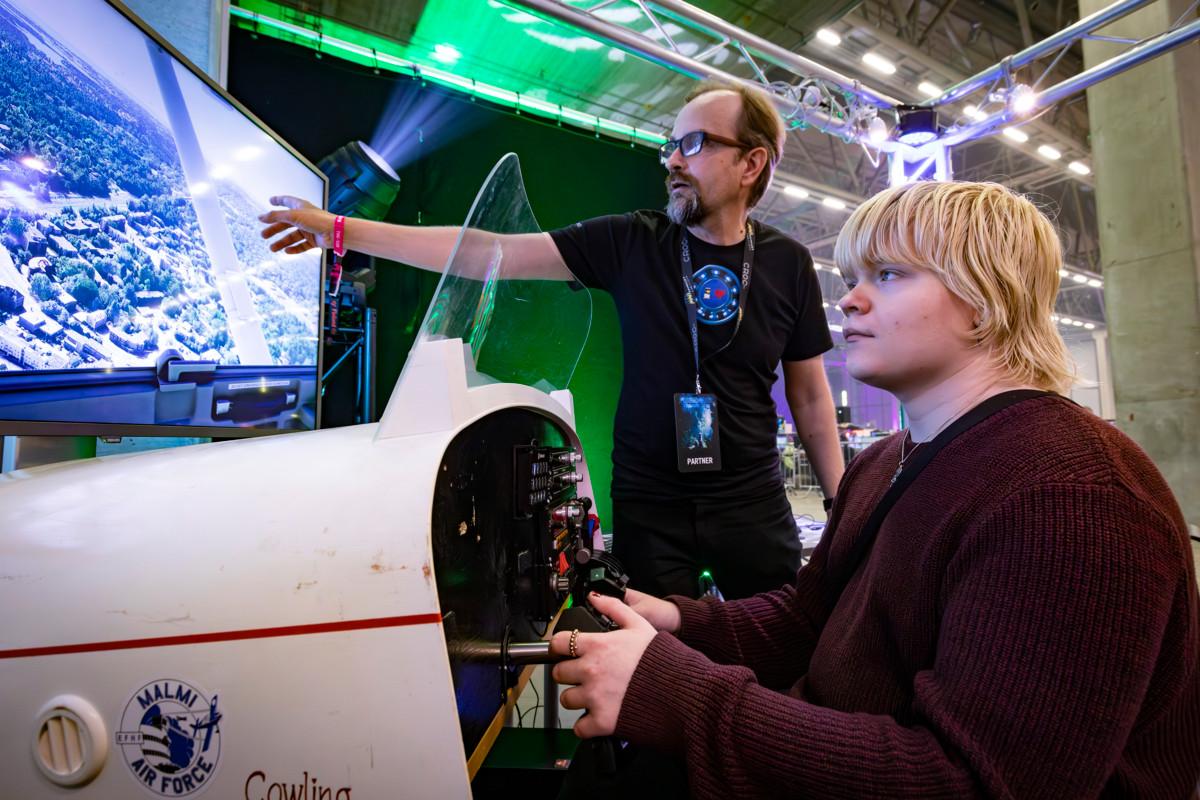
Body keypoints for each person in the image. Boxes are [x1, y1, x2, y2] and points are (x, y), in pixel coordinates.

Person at [547, 180, 1200, 798]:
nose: (850, 302)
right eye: (851, 279)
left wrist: (680, 695)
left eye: (887, 275)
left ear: (984, 297)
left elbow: (973, 782)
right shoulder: (886, 459)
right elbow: (812, 619)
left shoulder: (1073, 496)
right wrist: (682, 621)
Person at [259, 79, 845, 601]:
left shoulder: (788, 263)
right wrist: (341, 230)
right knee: (658, 665)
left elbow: (811, 397)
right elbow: (488, 252)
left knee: (774, 645)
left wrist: (841, 503)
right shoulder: (632, 241)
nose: (672, 160)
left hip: (752, 500)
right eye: (670, 145)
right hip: (651, 504)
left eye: (694, 144)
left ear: (751, 163)